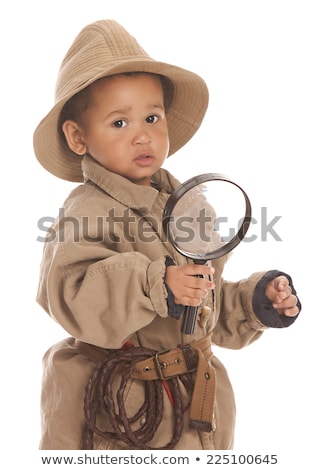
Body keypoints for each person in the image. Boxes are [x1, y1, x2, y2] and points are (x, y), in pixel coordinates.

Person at [33, 19, 301, 450]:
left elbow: (198, 304)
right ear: (78, 137)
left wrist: (253, 302)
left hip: (194, 405)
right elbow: (72, 294)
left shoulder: (187, 203)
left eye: (152, 117)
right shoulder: (84, 213)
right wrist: (154, 283)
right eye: (119, 123)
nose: (142, 134)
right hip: (119, 413)